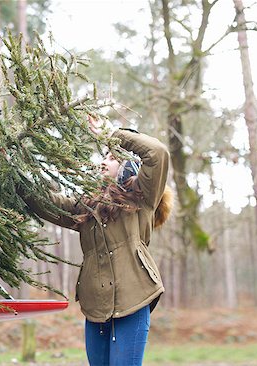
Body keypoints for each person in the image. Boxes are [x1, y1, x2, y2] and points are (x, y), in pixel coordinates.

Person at [19, 116, 172, 366]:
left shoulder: (143, 196)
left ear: (128, 167)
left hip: (134, 300)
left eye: (112, 158)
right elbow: (51, 205)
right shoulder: (87, 206)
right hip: (95, 307)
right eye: (103, 156)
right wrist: (17, 179)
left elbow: (157, 152)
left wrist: (110, 135)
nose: (102, 162)